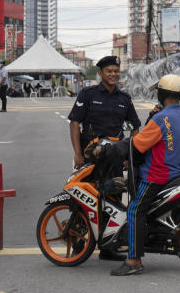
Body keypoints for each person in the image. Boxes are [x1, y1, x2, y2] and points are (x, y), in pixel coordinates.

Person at [108, 74, 180, 277]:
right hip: (177, 171)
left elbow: (136, 144)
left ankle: (134, 260)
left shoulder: (161, 118)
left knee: (135, 210)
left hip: (157, 175)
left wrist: (108, 151)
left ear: (163, 94)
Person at [67, 55, 141, 261]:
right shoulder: (88, 94)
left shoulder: (124, 99)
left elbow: (135, 127)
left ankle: (108, 248)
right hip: (89, 159)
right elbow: (74, 123)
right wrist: (77, 153)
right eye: (109, 71)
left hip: (114, 160)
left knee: (113, 200)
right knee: (81, 200)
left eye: (116, 71)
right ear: (100, 74)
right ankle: (78, 245)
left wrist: (130, 155)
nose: (113, 74)